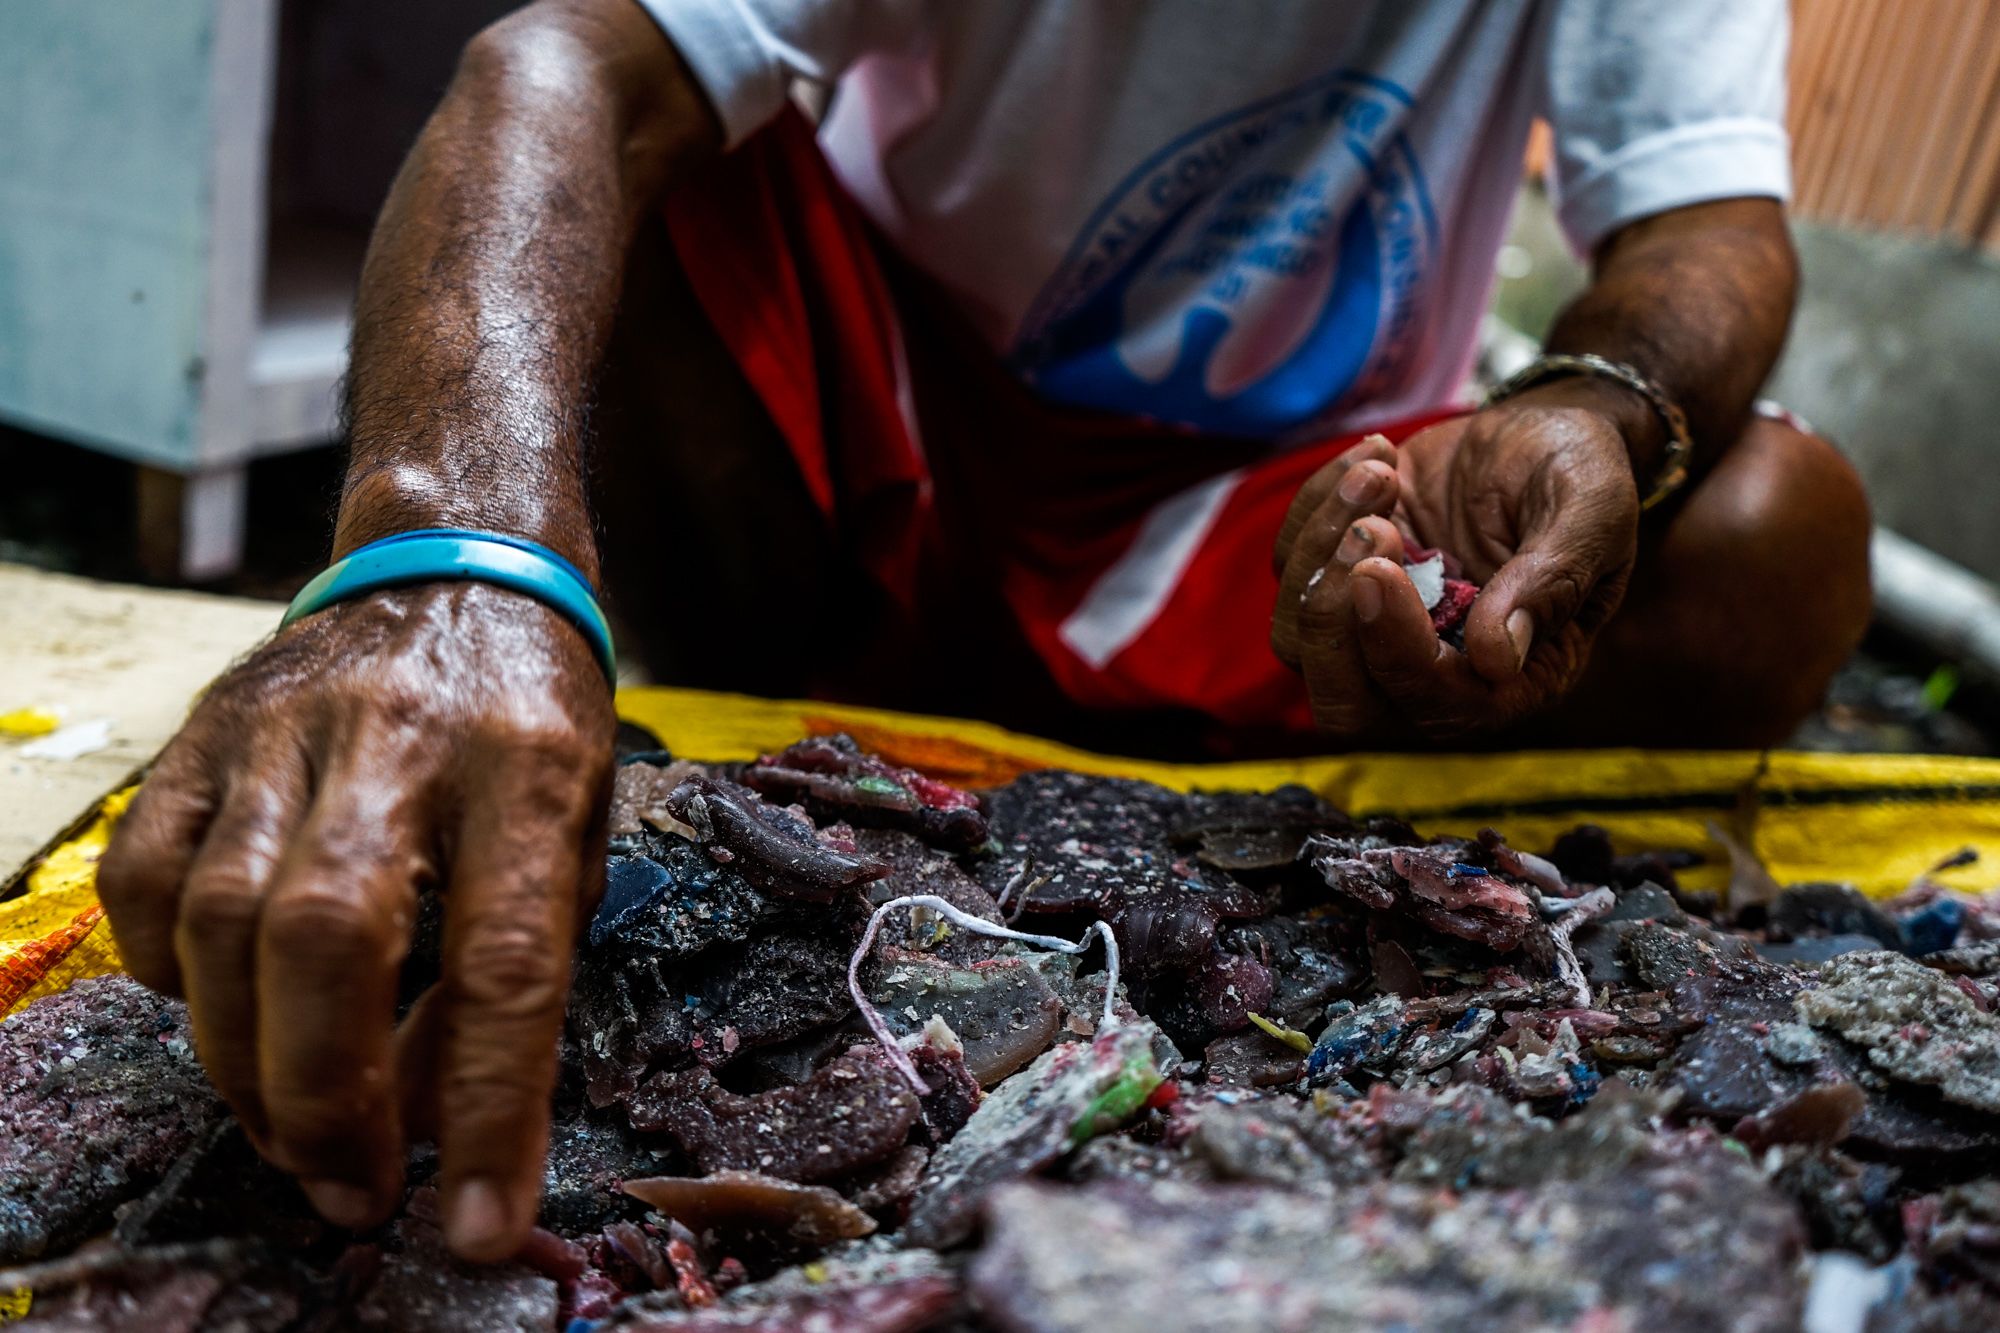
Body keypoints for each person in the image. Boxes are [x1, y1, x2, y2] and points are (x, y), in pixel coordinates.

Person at [98, 0, 1871, 1262]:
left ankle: (1091, 817)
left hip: (1298, 521)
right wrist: (450, 546)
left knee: (1773, 527)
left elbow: (1704, 216)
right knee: (654, 145)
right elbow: (560, 62)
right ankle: (808, 734)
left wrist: (1599, 398)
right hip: (876, 433)